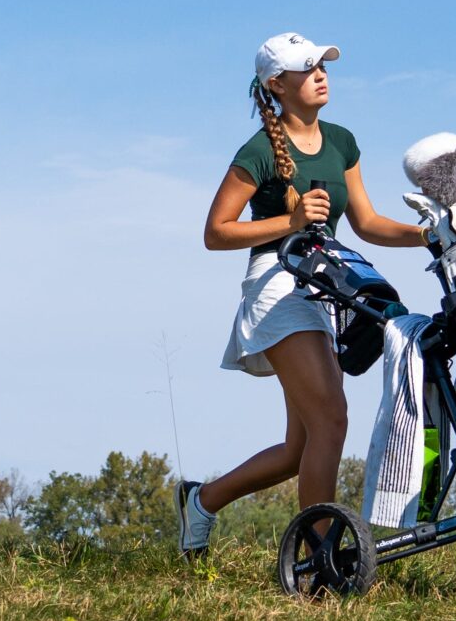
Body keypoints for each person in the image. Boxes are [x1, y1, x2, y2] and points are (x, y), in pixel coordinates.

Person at [179, 32, 425, 556]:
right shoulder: (258, 151)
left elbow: (367, 222)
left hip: (325, 284)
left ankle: (200, 502)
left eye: (323, 66)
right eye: (306, 68)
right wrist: (285, 220)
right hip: (276, 284)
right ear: (277, 84)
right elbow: (215, 232)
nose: (320, 74)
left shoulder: (341, 142)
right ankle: (319, 562)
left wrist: (431, 234)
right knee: (332, 419)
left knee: (300, 447)